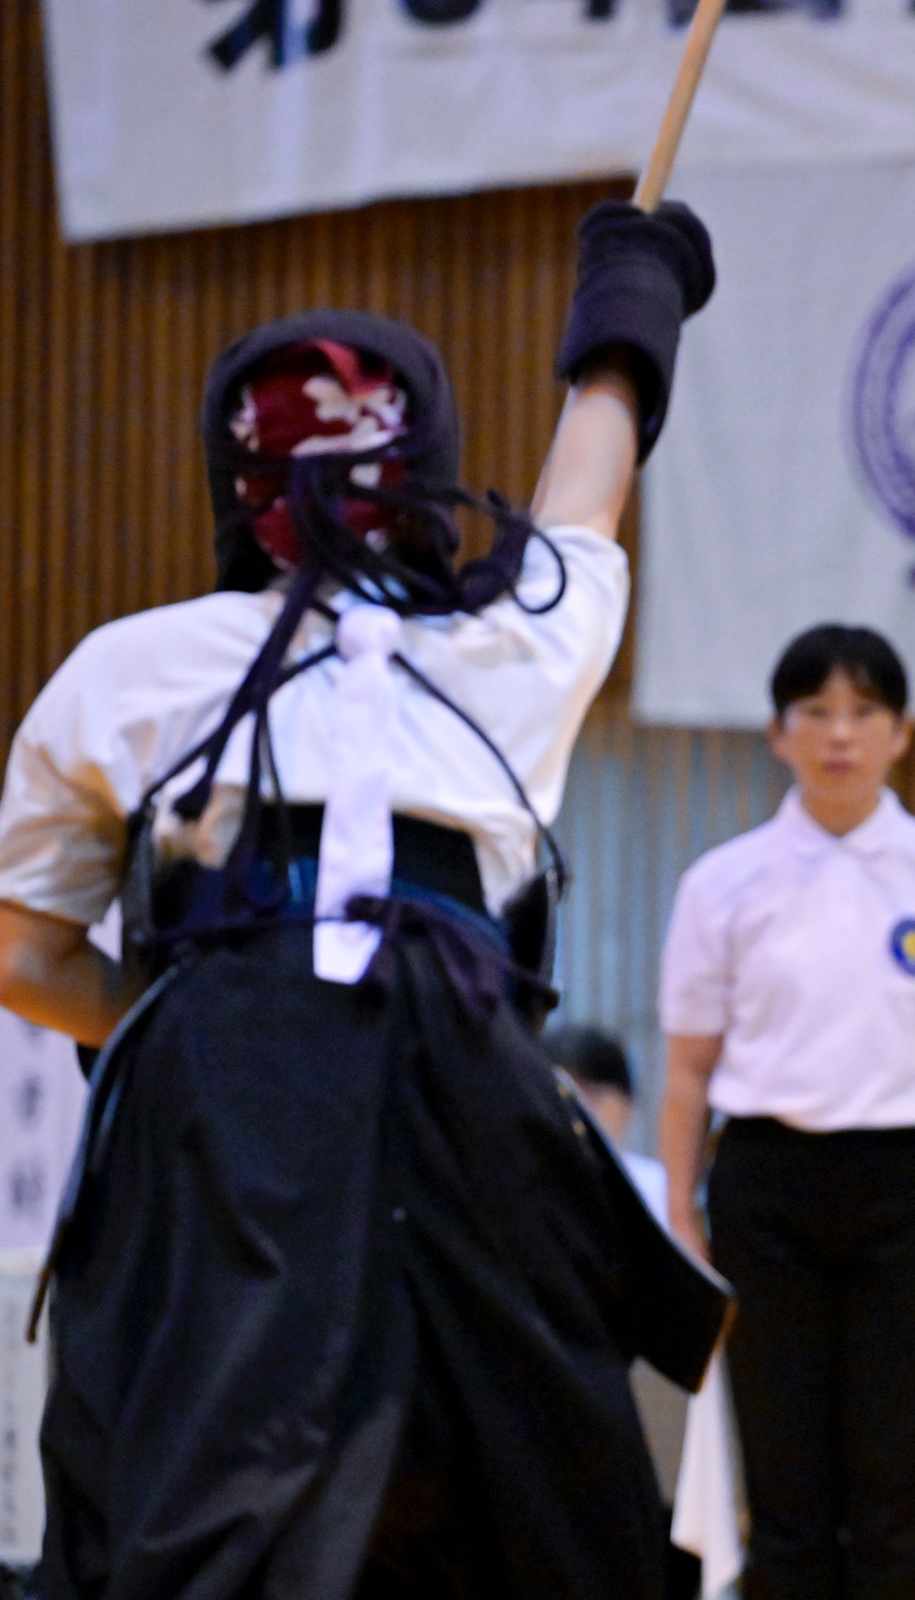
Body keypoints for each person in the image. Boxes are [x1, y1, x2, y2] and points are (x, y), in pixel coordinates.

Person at [0, 199, 722, 1598]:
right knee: (529, 1516)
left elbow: (25, 952)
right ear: (429, 466)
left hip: (216, 1112)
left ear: (235, 478)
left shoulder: (128, 669)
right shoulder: (508, 647)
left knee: (195, 1505)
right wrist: (629, 306)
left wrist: (190, 1007)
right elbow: (584, 496)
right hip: (471, 1097)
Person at [656, 623, 915, 1600]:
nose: (840, 734)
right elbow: (687, 1070)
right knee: (785, 1490)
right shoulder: (722, 884)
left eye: (864, 711)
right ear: (777, 732)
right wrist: (681, 1217)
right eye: (815, 711)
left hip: (912, 1192)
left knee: (897, 1489)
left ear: (902, 732)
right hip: (765, 1192)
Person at [550, 1022, 670, 1222]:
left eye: (593, 1095)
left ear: (628, 1100)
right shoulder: (533, 1190)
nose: (581, 1112)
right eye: (568, 1099)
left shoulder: (662, 1189)